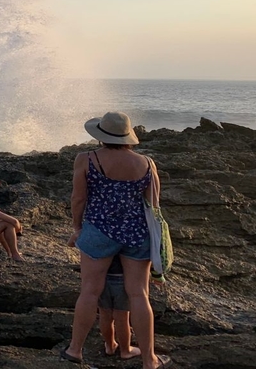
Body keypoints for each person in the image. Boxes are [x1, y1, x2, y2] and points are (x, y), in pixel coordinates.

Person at [62, 111, 170, 369]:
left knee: (89, 291)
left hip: (98, 231)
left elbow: (78, 199)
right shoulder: (147, 163)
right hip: (136, 234)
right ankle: (149, 359)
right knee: (139, 295)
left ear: (101, 136)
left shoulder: (86, 159)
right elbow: (153, 205)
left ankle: (75, 350)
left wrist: (77, 228)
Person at [98, 255, 141, 360]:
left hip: (101, 276)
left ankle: (109, 345)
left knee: (104, 315)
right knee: (122, 317)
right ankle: (125, 350)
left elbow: (72, 242)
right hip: (123, 277)